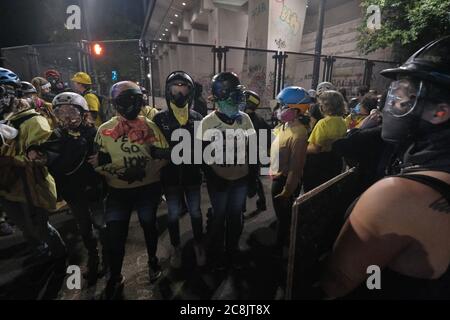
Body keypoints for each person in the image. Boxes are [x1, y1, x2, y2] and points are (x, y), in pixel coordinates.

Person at [321, 36, 450, 300]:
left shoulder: (398, 195)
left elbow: (340, 282)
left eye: (402, 98)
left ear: (440, 112)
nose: (390, 106)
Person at [92, 81, 168, 299]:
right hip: (118, 191)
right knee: (116, 233)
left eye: (136, 100)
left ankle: (152, 259)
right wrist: (115, 170)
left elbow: (165, 152)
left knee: (149, 225)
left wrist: (149, 165)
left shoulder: (149, 125)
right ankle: (115, 274)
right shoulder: (105, 129)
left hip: (147, 188)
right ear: (116, 103)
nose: (132, 105)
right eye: (126, 100)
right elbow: (95, 161)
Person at [28, 92, 108, 286]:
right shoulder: (57, 135)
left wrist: (103, 158)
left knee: (101, 224)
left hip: (94, 188)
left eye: (71, 111)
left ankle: (108, 256)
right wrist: (34, 152)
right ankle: (93, 256)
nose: (66, 117)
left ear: (83, 113)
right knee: (84, 228)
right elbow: (46, 150)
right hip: (73, 192)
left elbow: (108, 152)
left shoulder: (93, 133)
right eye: (60, 112)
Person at [0, 67, 65, 259]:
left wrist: (10, 160)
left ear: (13, 91)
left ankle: (59, 257)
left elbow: (43, 157)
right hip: (6, 188)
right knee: (25, 229)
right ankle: (40, 250)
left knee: (40, 228)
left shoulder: (33, 121)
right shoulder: (5, 121)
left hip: (31, 188)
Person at [197, 72, 256, 269]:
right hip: (219, 180)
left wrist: (252, 179)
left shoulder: (245, 119)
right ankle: (215, 251)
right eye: (233, 94)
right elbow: (202, 156)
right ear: (221, 95)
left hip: (240, 179)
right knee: (219, 217)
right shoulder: (207, 122)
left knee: (235, 216)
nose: (239, 99)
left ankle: (232, 249)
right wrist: (214, 177)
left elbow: (252, 149)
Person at [153, 71, 206, 268]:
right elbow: (154, 149)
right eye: (175, 89)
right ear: (168, 91)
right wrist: (169, 153)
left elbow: (203, 146)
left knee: (195, 213)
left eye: (184, 89)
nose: (180, 94)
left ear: (190, 93)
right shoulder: (160, 119)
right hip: (170, 177)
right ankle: (176, 247)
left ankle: (199, 244)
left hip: (192, 176)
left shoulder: (197, 117)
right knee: (173, 214)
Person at [269, 86, 310, 253]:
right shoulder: (285, 126)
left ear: (297, 110)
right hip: (276, 177)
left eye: (283, 106)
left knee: (284, 218)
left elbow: (296, 168)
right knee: (281, 216)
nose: (280, 109)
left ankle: (280, 249)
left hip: (284, 182)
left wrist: (287, 191)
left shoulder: (299, 134)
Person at [303, 90, 347, 192]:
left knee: (313, 193)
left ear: (325, 106)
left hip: (318, 165)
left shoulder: (323, 123)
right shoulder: (343, 121)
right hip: (335, 161)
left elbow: (316, 149)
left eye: (321, 104)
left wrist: (299, 148)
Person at [242, 89, 271, 217]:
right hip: (255, 155)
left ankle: (241, 209)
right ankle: (262, 202)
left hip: (246, 156)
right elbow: (268, 137)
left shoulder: (244, 119)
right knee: (255, 179)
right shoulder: (259, 118)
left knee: (242, 182)